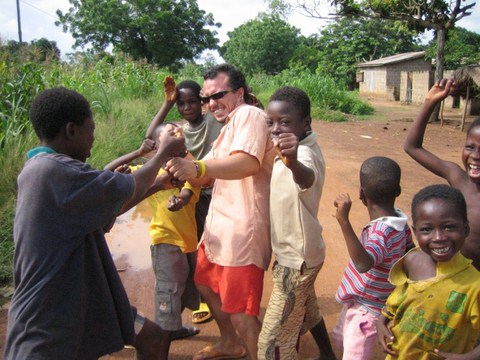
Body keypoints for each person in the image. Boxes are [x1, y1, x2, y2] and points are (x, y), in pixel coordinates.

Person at [3, 87, 185, 360]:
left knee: (153, 337)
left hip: (77, 300)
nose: (94, 137)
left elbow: (106, 210)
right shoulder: (55, 172)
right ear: (71, 130)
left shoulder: (43, 168)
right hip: (48, 316)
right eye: (91, 128)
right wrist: (163, 153)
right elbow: (130, 184)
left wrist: (157, 184)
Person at [166, 63, 275, 360]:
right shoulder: (229, 127)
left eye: (219, 95)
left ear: (240, 93)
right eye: (207, 98)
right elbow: (206, 176)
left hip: (243, 232)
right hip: (220, 230)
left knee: (241, 311)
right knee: (205, 283)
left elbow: (247, 162)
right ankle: (230, 342)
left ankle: (256, 353)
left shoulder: (250, 115)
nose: (211, 103)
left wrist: (197, 166)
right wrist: (179, 152)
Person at [257, 86, 336, 360]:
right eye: (271, 122)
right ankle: (327, 353)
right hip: (297, 253)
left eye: (285, 122)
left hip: (296, 261)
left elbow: (306, 177)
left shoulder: (302, 154)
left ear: (306, 123)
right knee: (308, 308)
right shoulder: (298, 144)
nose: (276, 129)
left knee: (272, 344)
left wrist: (291, 163)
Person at [105, 122, 202, 346]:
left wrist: (180, 199)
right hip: (166, 243)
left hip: (188, 244)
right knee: (168, 294)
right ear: (158, 146)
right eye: (169, 135)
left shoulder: (189, 167)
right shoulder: (151, 174)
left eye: (178, 133)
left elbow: (190, 190)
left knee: (185, 291)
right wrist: (136, 155)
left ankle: (172, 329)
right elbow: (106, 175)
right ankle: (158, 340)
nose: (176, 135)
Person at [145, 76, 224, 324]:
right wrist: (166, 104)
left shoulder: (213, 121)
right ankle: (203, 298)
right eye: (181, 103)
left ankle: (216, 296)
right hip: (192, 192)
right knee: (197, 245)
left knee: (215, 246)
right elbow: (149, 139)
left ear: (201, 102)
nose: (187, 107)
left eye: (192, 102)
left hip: (216, 191)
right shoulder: (179, 132)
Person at [377, 184, 480, 359]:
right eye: (426, 229)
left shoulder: (474, 285)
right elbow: (398, 299)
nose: (439, 237)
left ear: (466, 229)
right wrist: (381, 322)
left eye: (449, 227)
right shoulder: (412, 260)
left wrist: (468, 357)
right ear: (415, 232)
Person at [333, 156, 414, 360]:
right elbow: (410, 252)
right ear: (398, 191)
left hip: (366, 310)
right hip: (366, 302)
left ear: (361, 193)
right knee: (340, 338)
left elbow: (363, 263)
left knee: (354, 353)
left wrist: (344, 221)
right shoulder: (400, 222)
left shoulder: (380, 232)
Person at [404, 78, 480, 270]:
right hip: (453, 279)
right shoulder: (458, 178)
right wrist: (430, 102)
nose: (475, 156)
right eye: (470, 147)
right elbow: (412, 147)